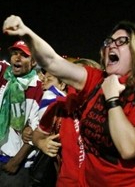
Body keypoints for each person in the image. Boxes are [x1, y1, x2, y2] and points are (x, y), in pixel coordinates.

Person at [3, 15, 135, 187]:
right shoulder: (97, 80)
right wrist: (26, 33)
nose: (112, 45)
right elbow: (53, 62)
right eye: (109, 41)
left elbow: (128, 148)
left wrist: (112, 99)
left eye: (121, 41)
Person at [33, 58, 102, 187]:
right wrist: (41, 143)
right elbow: (37, 133)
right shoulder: (58, 107)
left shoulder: (107, 111)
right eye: (71, 78)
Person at [0, 40, 43, 187]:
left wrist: (16, 161)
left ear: (33, 62)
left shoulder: (37, 87)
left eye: (24, 55)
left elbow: (36, 131)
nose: (17, 58)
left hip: (13, 164)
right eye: (14, 54)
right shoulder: (5, 77)